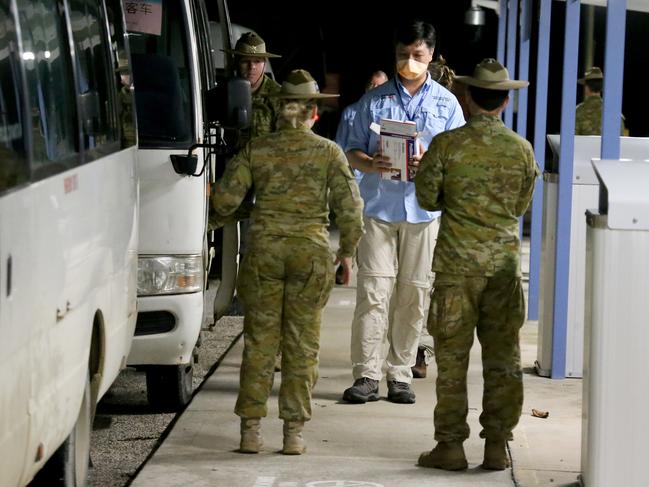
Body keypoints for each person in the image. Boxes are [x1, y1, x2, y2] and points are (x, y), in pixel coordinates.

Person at [210, 69, 364, 455]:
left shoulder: (257, 149)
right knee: (301, 345)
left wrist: (217, 215)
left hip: (263, 253)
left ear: (280, 110)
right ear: (314, 111)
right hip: (310, 256)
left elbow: (226, 202)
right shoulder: (329, 152)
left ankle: (250, 430)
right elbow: (351, 209)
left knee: (259, 344)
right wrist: (346, 252)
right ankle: (293, 433)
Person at [414, 58, 539, 471]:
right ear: (505, 101)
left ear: (467, 98)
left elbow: (428, 199)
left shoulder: (447, 146)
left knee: (452, 359)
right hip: (502, 268)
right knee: (503, 358)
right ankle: (495, 445)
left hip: (455, 267)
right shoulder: (521, 150)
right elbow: (522, 205)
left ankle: (449, 447)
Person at [342, 19, 465, 405]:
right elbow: (349, 150)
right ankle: (366, 374)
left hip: (424, 212)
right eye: (402, 55)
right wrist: (371, 162)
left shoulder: (446, 103)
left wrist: (434, 160)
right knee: (374, 291)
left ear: (431, 56)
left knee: (413, 294)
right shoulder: (374, 101)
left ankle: (400, 373)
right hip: (378, 208)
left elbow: (457, 159)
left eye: (417, 55)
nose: (409, 61)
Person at [409, 55, 458, 380]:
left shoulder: (448, 112)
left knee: (421, 285)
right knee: (418, 286)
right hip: (419, 210)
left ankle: (417, 350)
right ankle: (414, 350)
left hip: (431, 212)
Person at [333, 70, 388, 285]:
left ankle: (355, 260)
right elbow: (340, 145)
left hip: (377, 181)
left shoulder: (389, 114)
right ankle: (347, 260)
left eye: (379, 86)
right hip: (354, 177)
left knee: (369, 226)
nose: (374, 89)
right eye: (372, 85)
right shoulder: (351, 112)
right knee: (353, 222)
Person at [225, 32, 282, 142]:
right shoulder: (226, 91)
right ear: (236, 63)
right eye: (246, 61)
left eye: (257, 61)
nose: (252, 67)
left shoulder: (279, 97)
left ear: (265, 65)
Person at [575, 66, 626, 136]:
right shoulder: (615, 113)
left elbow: (572, 140)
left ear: (586, 88)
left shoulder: (578, 111)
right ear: (601, 87)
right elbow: (620, 140)